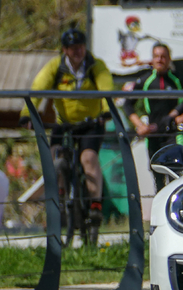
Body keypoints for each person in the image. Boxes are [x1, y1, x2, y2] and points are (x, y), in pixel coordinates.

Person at [18, 28, 114, 226]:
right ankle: (60, 199)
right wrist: (27, 114)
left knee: (88, 158)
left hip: (91, 123)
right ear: (65, 50)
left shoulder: (96, 65)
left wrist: (107, 110)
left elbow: (107, 88)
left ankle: (95, 205)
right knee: (55, 157)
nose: (77, 51)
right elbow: (37, 88)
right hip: (64, 123)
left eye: (80, 47)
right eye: (72, 48)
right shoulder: (56, 67)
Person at [122, 42, 183, 191]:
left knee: (176, 172)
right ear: (152, 59)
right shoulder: (145, 80)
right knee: (157, 175)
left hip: (174, 132)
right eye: (156, 56)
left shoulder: (178, 79)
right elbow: (128, 104)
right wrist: (139, 125)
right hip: (153, 134)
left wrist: (182, 116)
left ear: (169, 59)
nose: (160, 60)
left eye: (163, 57)